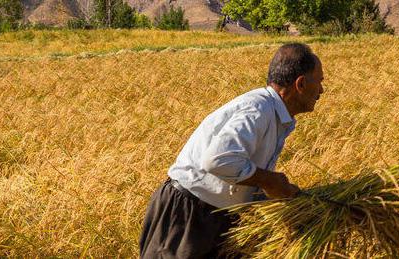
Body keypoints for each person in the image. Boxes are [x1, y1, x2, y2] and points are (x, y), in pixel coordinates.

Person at [138, 43, 326, 258]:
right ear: (300, 84)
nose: (321, 91)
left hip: (216, 216)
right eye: (319, 82)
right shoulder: (259, 109)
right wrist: (269, 181)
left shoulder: (277, 116)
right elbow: (219, 160)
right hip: (188, 215)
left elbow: (241, 173)